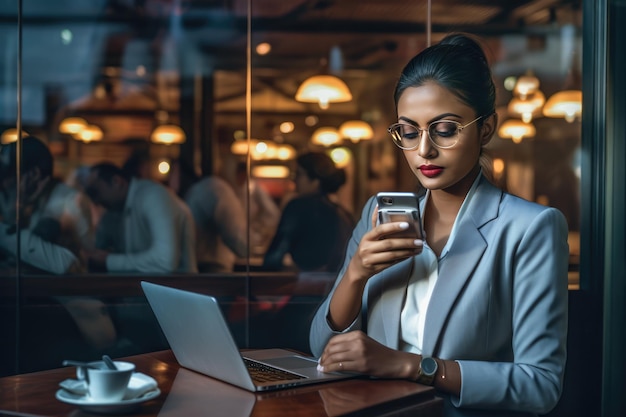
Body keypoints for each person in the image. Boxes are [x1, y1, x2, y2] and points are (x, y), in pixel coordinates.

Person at [310, 33, 569, 417]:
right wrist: (355, 275)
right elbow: (322, 348)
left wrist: (413, 366)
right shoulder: (377, 215)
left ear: (486, 128)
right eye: (409, 131)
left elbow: (540, 385)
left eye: (445, 129)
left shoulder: (529, 228)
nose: (424, 150)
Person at [0, 136, 93, 274]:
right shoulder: (35, 201)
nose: (3, 184)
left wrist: (12, 213)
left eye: (8, 176)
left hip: (75, 292)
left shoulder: (67, 202)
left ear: (34, 174)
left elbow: (39, 258)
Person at [83, 162, 197, 273]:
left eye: (95, 192)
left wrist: (108, 260)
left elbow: (165, 261)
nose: (95, 201)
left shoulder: (153, 196)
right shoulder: (113, 211)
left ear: (117, 182)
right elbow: (98, 246)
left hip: (177, 288)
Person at [263, 151, 354, 272]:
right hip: (340, 285)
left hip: (309, 286)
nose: (294, 180)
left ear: (315, 180)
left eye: (299, 174)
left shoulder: (298, 207)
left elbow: (274, 257)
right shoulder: (343, 212)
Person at [169, 159, 248, 273]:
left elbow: (241, 244)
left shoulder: (209, 190)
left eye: (173, 173)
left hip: (214, 270)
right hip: (200, 271)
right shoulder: (189, 198)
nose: (170, 179)